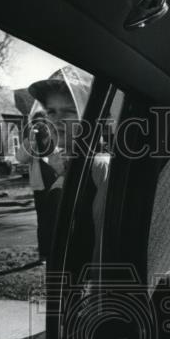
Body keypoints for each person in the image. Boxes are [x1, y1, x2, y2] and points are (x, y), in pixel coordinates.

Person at [26, 66, 111, 266]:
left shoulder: (99, 167)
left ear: (88, 114)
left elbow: (103, 249)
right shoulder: (64, 163)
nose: (56, 120)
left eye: (69, 111)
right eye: (51, 111)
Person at [15, 104, 59, 262]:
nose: (40, 126)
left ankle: (59, 252)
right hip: (41, 187)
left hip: (57, 185)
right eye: (36, 123)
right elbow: (19, 158)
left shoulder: (56, 137)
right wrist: (30, 140)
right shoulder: (32, 142)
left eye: (42, 122)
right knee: (43, 222)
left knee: (59, 220)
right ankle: (44, 254)